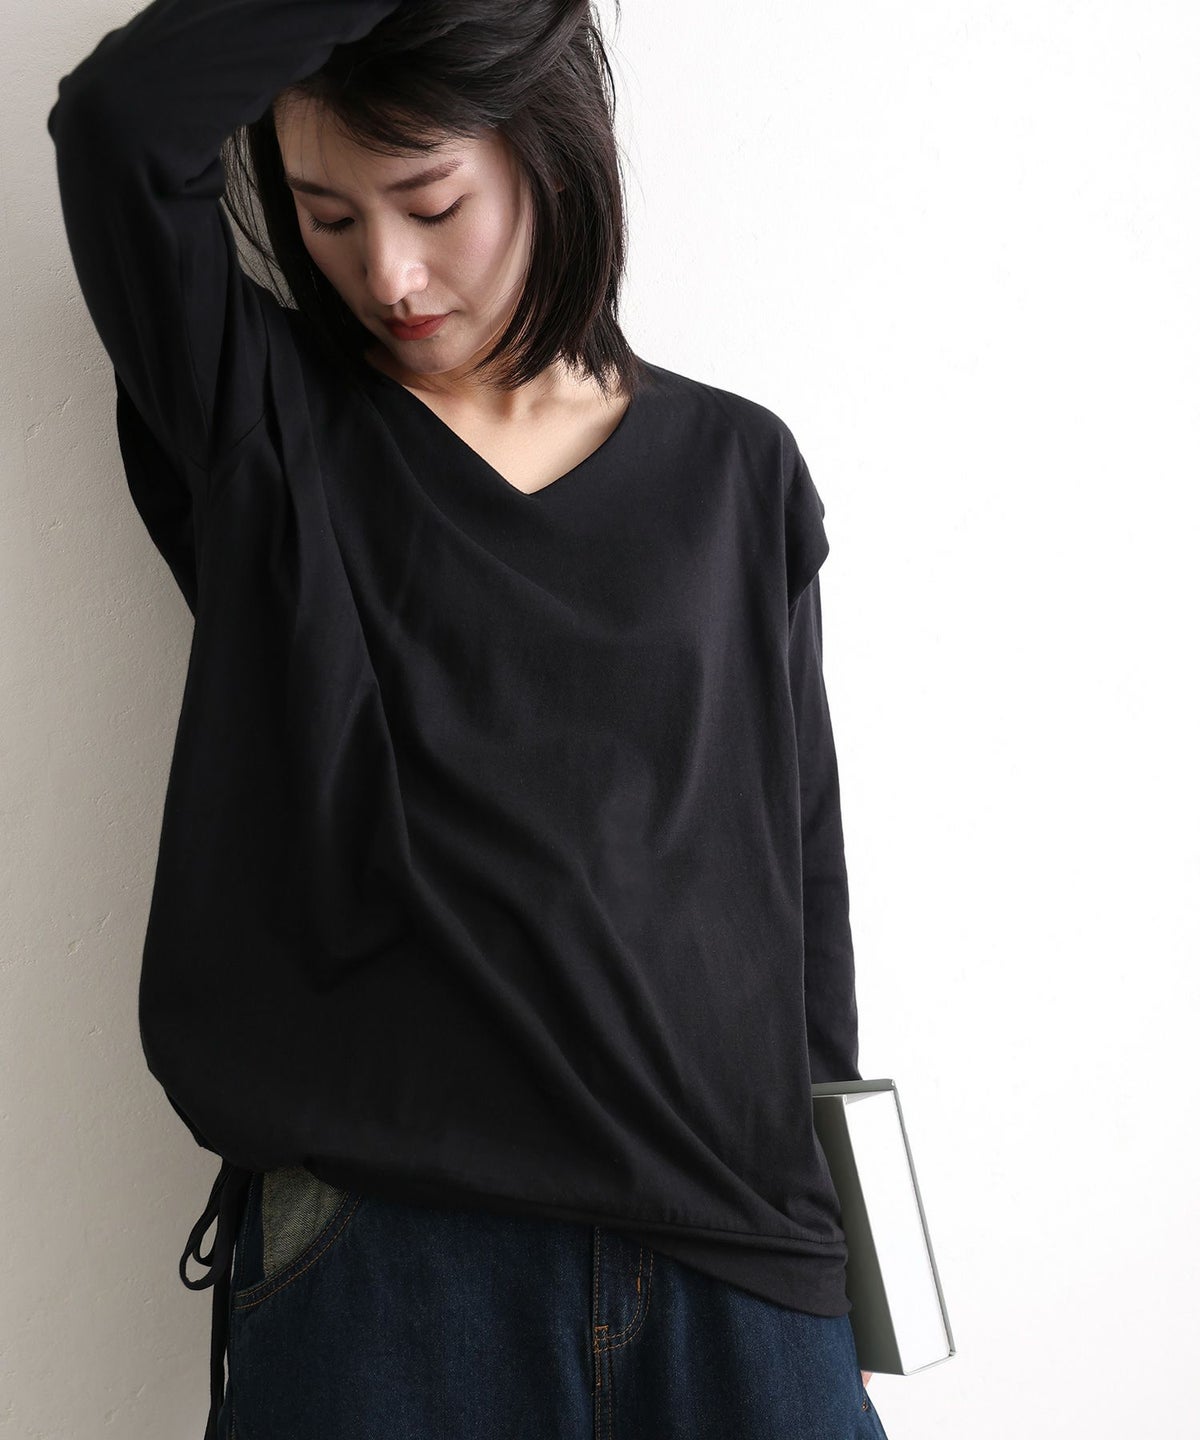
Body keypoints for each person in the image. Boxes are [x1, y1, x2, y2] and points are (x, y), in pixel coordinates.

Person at [47, 1, 889, 1436]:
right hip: (390, 1269)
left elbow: (796, 890)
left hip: (740, 1274)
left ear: (547, 154)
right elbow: (118, 125)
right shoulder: (271, 429)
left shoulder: (739, 472)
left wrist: (839, 1270)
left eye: (430, 204)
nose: (386, 271)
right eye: (325, 217)